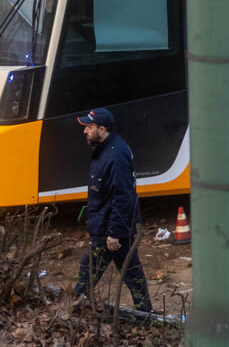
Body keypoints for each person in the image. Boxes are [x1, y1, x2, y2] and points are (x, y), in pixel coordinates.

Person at [73, 108, 153, 312]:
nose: (85, 132)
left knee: (89, 268)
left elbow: (123, 197)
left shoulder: (116, 157)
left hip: (110, 229)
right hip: (108, 225)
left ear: (102, 128)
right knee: (131, 271)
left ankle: (73, 308)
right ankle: (145, 311)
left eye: (88, 128)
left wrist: (114, 234)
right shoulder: (103, 150)